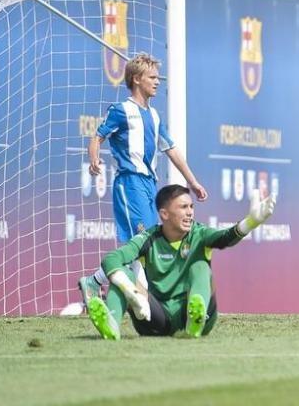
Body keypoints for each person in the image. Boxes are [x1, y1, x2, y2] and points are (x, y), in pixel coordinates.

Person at [78, 53, 209, 307]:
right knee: (144, 243)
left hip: (150, 185)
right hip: (130, 184)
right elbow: (97, 137)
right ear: (137, 79)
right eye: (152, 77)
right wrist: (94, 159)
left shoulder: (155, 116)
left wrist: (192, 182)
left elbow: (171, 150)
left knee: (149, 244)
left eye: (158, 77)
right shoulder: (121, 110)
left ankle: (97, 283)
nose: (158, 82)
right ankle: (142, 301)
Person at [86, 185, 277, 340]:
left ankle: (196, 317)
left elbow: (225, 237)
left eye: (191, 207)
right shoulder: (148, 238)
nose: (190, 213)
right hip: (156, 320)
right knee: (123, 275)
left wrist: (250, 222)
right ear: (164, 214)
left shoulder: (199, 233)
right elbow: (113, 258)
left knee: (200, 267)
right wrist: (128, 288)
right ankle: (110, 324)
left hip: (195, 316)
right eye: (183, 207)